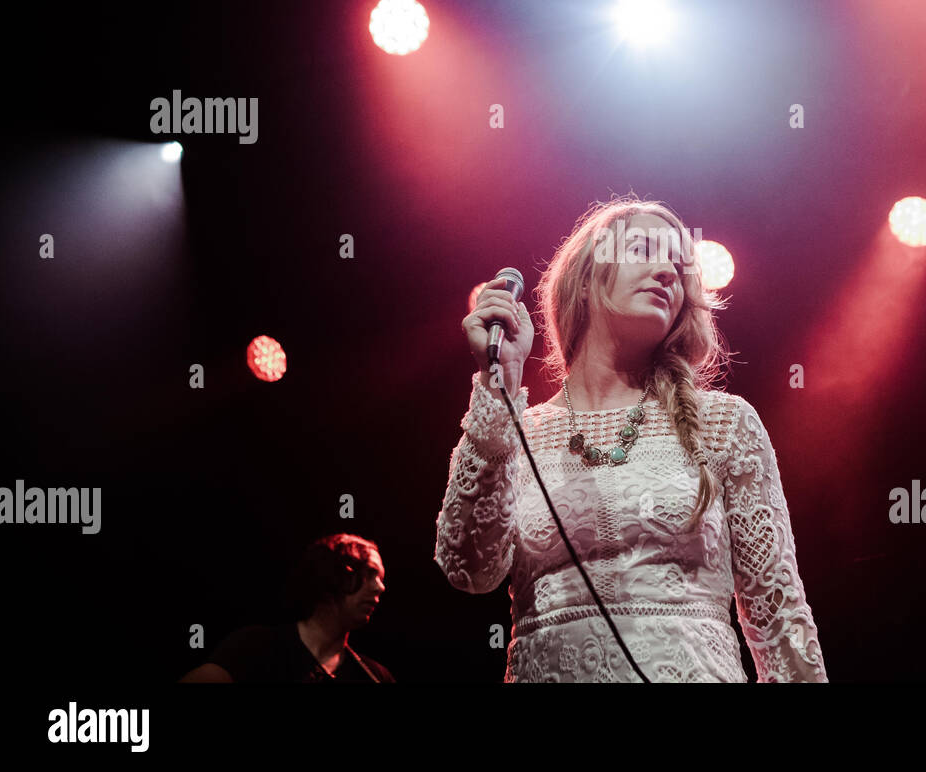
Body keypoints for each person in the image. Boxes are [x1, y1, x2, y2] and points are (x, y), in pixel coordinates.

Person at [436, 195, 827, 682]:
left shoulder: (724, 423)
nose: (667, 272)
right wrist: (500, 389)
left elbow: (779, 619)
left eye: (679, 267)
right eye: (643, 249)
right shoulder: (518, 431)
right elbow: (469, 569)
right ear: (584, 279)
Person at [180, 533, 394, 682]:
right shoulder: (256, 647)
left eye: (382, 578)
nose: (380, 587)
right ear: (335, 576)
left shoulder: (376, 677)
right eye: (371, 574)